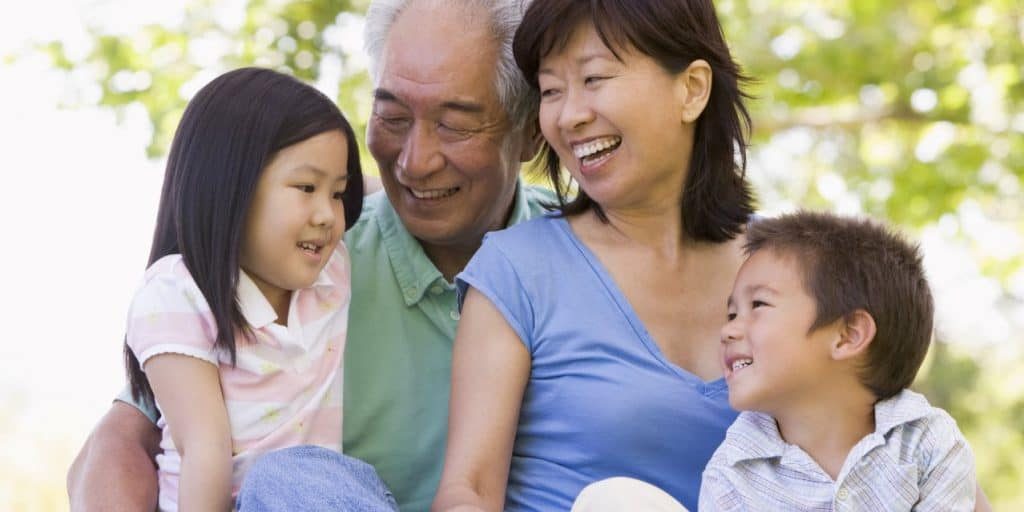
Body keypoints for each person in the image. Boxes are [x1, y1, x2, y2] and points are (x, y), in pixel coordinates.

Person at [66, 1, 550, 511]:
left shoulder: (591, 248)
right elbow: (118, 443)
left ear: (531, 132)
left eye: (454, 125)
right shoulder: (301, 258)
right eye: (392, 117)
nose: (414, 161)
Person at [432, 0, 755, 510]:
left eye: (595, 78)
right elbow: (466, 490)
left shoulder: (788, 267)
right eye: (552, 90)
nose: (569, 116)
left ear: (691, 89)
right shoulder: (517, 269)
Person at [119, 67, 363, 511]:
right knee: (281, 476)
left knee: (319, 477)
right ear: (229, 184)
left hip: (320, 496)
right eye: (307, 187)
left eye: (338, 193)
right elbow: (204, 451)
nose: (328, 214)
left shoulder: (331, 272)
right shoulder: (179, 294)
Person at [698, 211, 976, 511]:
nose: (728, 330)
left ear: (848, 335)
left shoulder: (930, 445)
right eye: (732, 314)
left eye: (758, 305)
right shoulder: (729, 475)